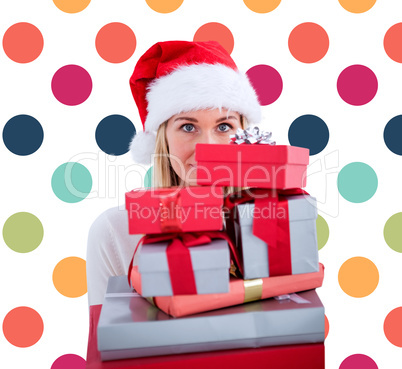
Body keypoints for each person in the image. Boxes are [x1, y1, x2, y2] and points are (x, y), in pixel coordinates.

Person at [86, 40, 262, 306]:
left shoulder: (274, 220)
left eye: (224, 127)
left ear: (244, 135)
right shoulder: (115, 230)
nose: (207, 148)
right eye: (188, 128)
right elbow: (105, 341)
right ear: (162, 139)